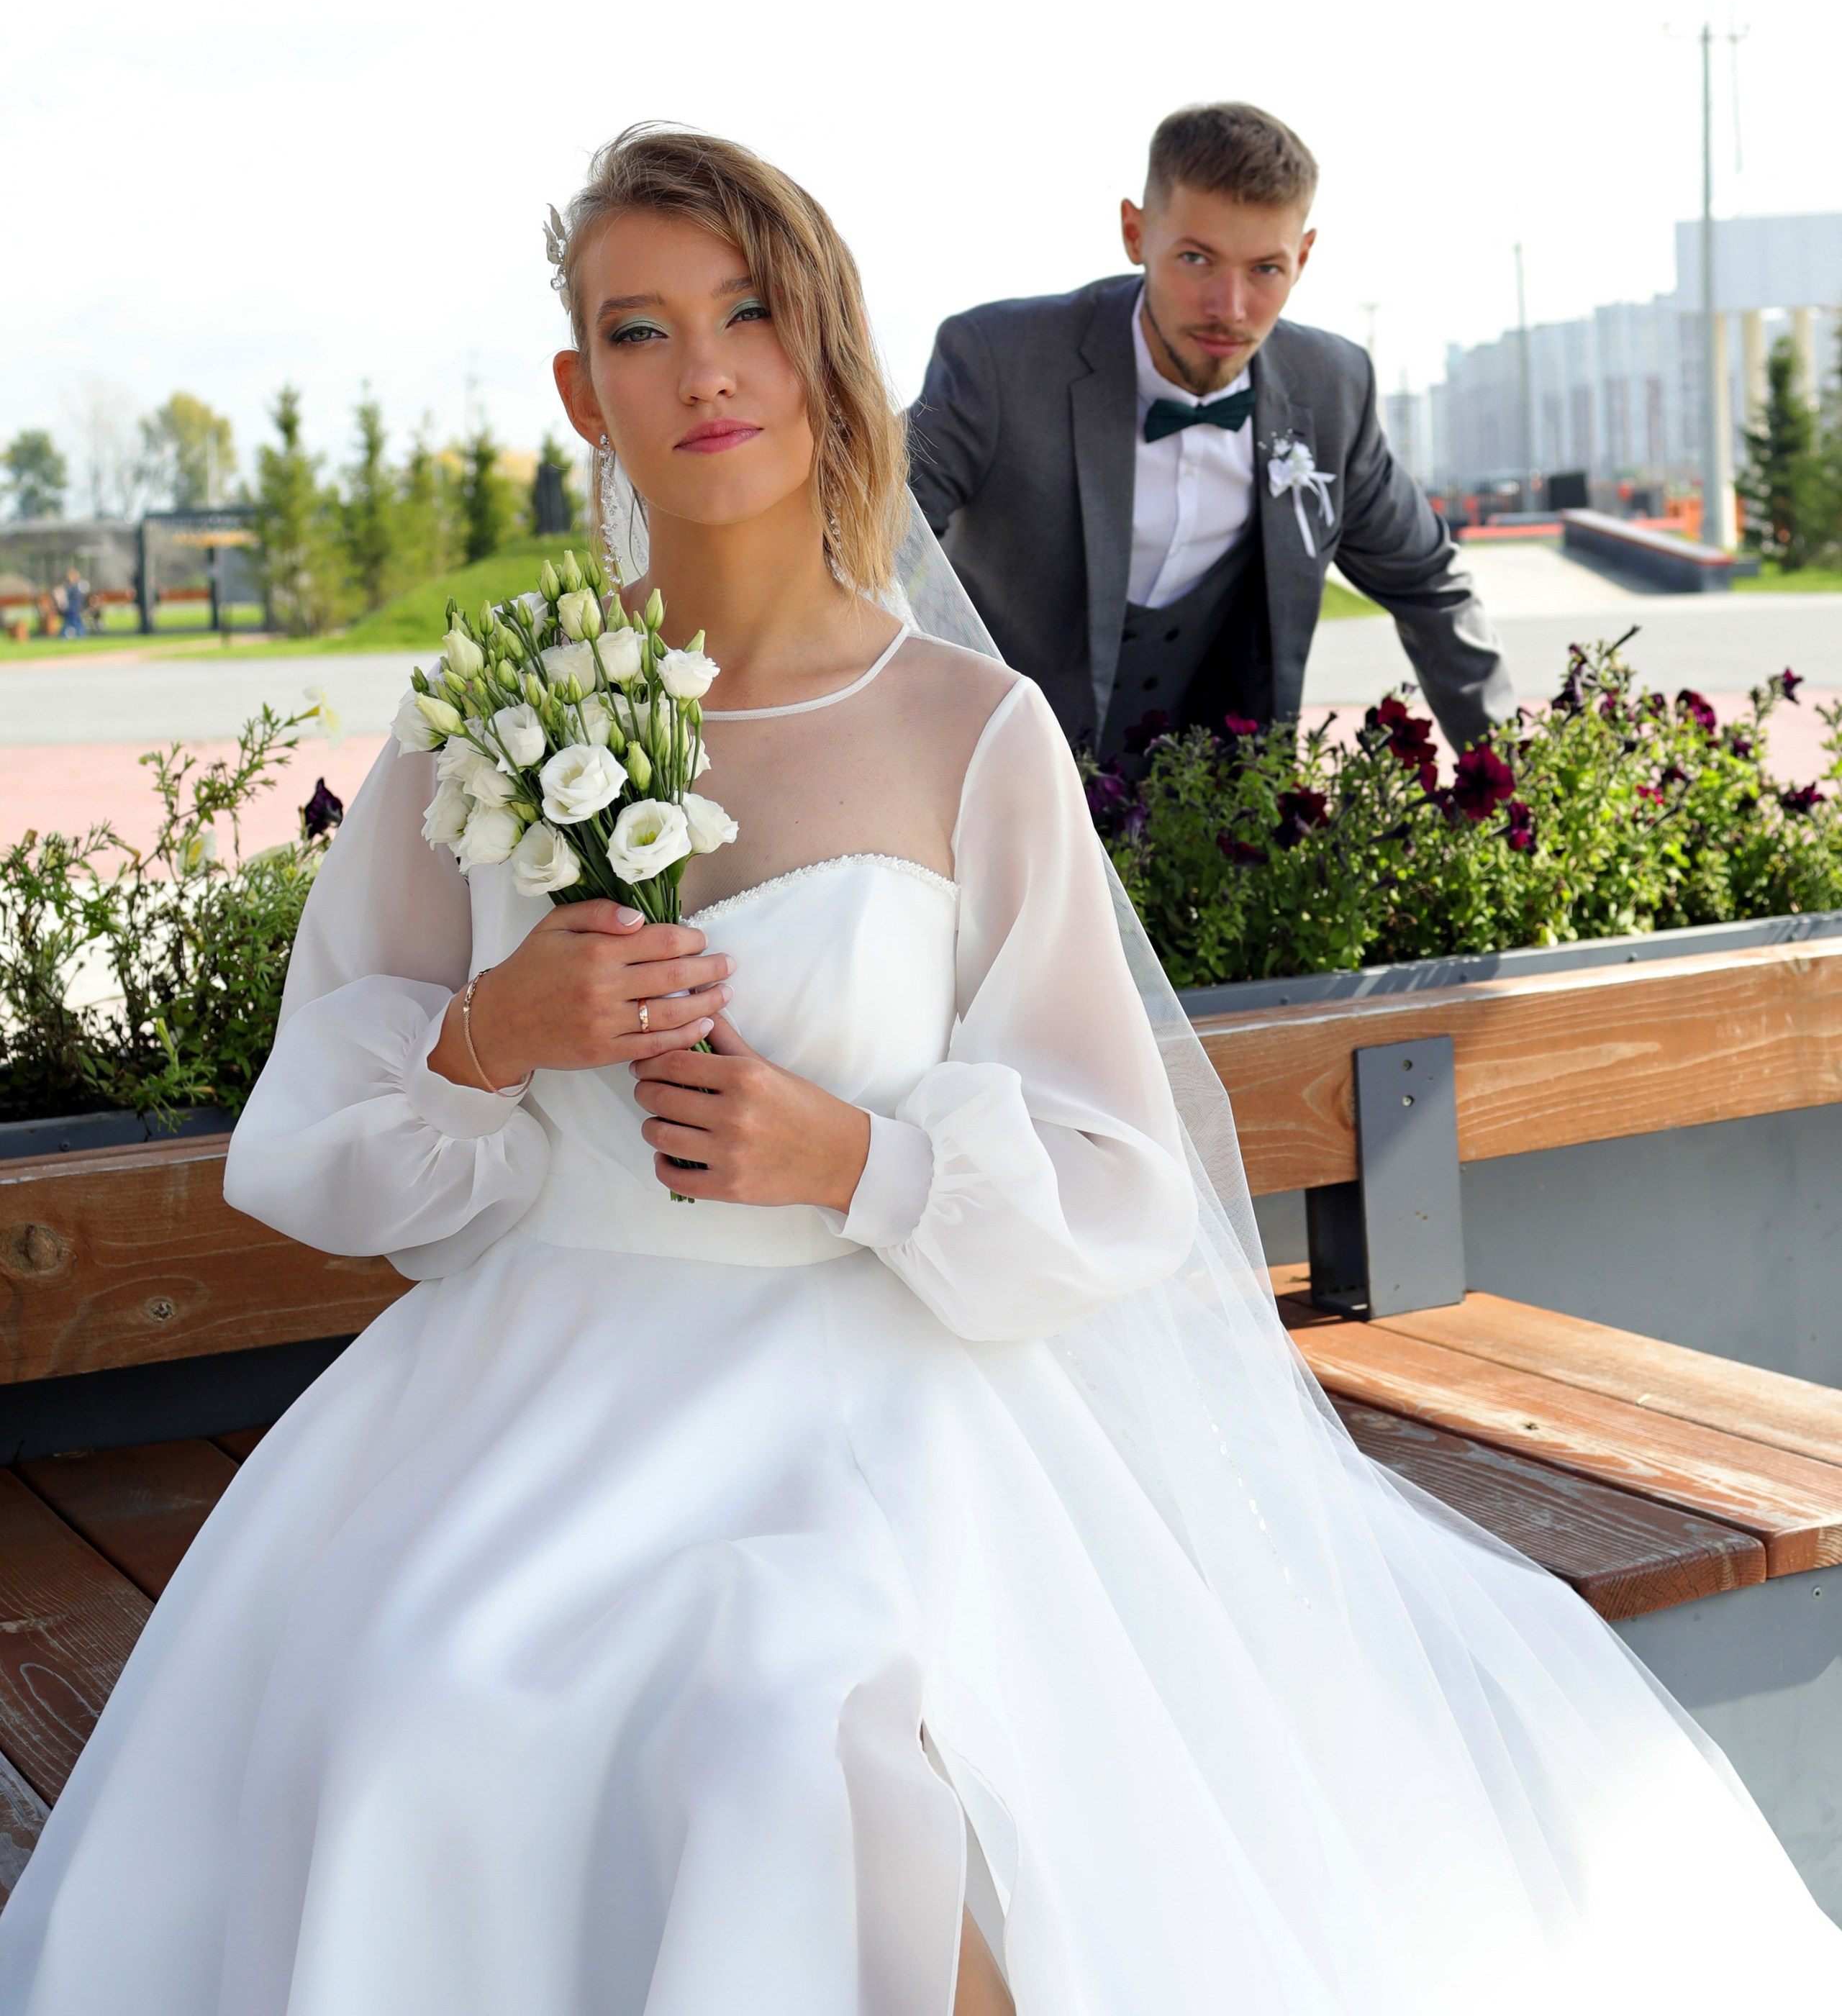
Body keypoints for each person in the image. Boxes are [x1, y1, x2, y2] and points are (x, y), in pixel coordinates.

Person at [3, 124, 1834, 2016]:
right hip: (532, 1393)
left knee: (803, 1741)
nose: (703, 372)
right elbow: (325, 1128)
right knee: (432, 1714)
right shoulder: (482, 718)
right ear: (579, 389)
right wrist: (494, 1035)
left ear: (824, 350)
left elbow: (1119, 1169)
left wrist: (854, 1160)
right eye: (639, 331)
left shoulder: (969, 728)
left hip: (881, 1410)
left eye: (748, 315)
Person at [909, 101, 1515, 760]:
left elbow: (1430, 585)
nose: (1230, 308)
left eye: (1265, 269)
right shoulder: (998, 361)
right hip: (994, 775)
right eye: (1197, 258)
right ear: (1135, 233)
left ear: (1303, 257)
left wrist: (1515, 781)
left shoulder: (1332, 389)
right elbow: (860, 546)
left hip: (1215, 800)